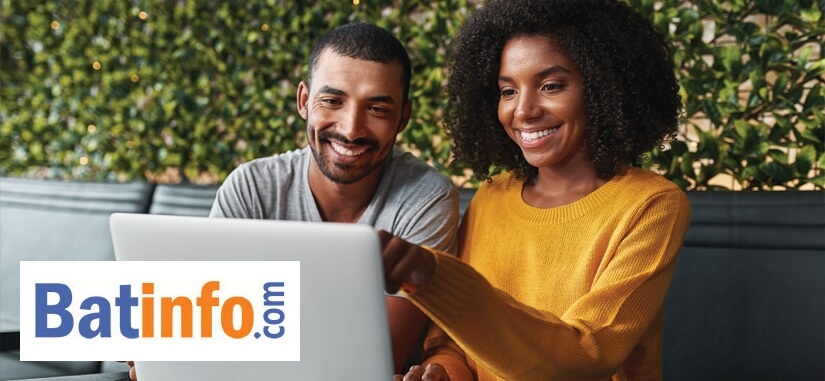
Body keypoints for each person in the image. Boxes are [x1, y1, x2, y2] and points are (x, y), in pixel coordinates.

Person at [124, 22, 459, 381]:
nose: (350, 129)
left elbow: (375, 360)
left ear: (403, 118)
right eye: (332, 101)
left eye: (377, 109)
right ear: (304, 101)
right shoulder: (250, 188)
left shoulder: (427, 198)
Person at [380, 0, 691, 380]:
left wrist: (433, 276)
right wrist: (444, 372)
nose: (523, 110)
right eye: (507, 91)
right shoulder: (491, 196)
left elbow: (585, 356)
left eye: (550, 86)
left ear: (604, 88)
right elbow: (455, 344)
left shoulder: (651, 205)